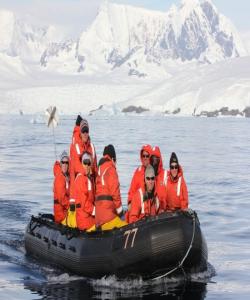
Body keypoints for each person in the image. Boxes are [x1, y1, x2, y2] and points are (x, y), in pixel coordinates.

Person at [94, 144, 127, 230]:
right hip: (108, 216)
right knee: (126, 223)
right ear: (112, 159)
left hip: (99, 217)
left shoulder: (99, 171)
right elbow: (115, 193)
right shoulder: (111, 169)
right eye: (115, 160)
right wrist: (120, 213)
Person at [69, 116, 97, 197]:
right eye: (83, 131)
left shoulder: (91, 147)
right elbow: (73, 170)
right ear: (80, 132)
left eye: (86, 131)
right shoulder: (75, 147)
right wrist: (72, 198)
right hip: (79, 189)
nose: (85, 133)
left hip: (91, 188)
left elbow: (95, 168)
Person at [69, 152, 95, 230]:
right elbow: (85, 203)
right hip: (85, 220)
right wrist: (96, 211)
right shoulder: (81, 179)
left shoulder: (87, 178)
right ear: (81, 163)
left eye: (88, 163)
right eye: (85, 163)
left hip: (88, 217)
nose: (86, 166)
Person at [53, 151, 70, 223]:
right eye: (63, 162)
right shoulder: (60, 178)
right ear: (60, 163)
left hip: (66, 212)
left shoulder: (66, 177)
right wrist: (72, 207)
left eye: (67, 163)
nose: (65, 164)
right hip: (61, 214)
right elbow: (62, 199)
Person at [150, 146, 167, 212]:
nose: (154, 161)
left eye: (156, 158)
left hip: (164, 211)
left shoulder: (165, 175)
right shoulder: (148, 175)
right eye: (153, 158)